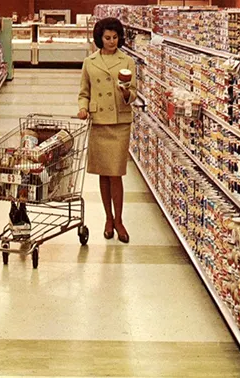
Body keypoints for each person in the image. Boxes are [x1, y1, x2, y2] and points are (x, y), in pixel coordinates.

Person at [77, 17, 137, 244]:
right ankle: (108, 219)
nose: (112, 42)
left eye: (115, 37)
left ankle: (120, 220)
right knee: (103, 173)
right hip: (99, 120)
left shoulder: (128, 61)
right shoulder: (90, 62)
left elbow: (133, 93)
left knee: (116, 173)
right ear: (99, 39)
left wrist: (124, 92)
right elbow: (84, 92)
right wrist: (83, 108)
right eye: (108, 38)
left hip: (119, 122)